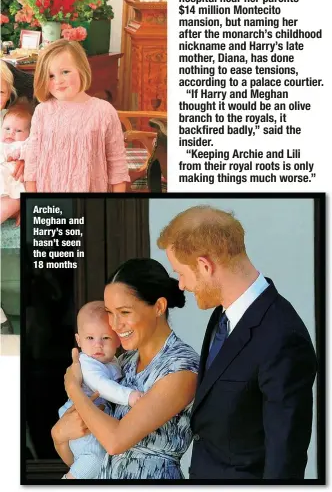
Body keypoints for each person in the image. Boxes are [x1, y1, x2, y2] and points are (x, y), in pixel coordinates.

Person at [157, 205, 317, 480]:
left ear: (205, 266)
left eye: (180, 273)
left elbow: (285, 460)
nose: (181, 285)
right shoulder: (222, 314)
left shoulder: (283, 337)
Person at [51, 258, 199, 479]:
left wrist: (73, 388)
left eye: (125, 312)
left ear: (158, 307)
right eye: (110, 312)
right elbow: (86, 460)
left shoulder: (181, 367)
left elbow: (114, 442)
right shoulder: (123, 363)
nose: (114, 324)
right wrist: (58, 435)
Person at [24, 39, 129, 192]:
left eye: (65, 72)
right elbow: (32, 163)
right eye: (50, 76)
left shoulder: (104, 111)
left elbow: (117, 164)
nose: (58, 81)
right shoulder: (42, 112)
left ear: (82, 69)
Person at [59, 301, 143, 479]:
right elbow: (102, 386)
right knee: (94, 459)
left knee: (98, 463)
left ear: (117, 340)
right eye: (90, 338)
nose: (97, 345)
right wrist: (129, 396)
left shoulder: (114, 362)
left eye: (105, 338)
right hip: (77, 418)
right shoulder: (87, 364)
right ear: (78, 340)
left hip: (93, 419)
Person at [0, 101, 32, 224]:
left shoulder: (24, 146)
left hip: (13, 191)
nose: (11, 133)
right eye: (7, 128)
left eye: (18, 131)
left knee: (7, 206)